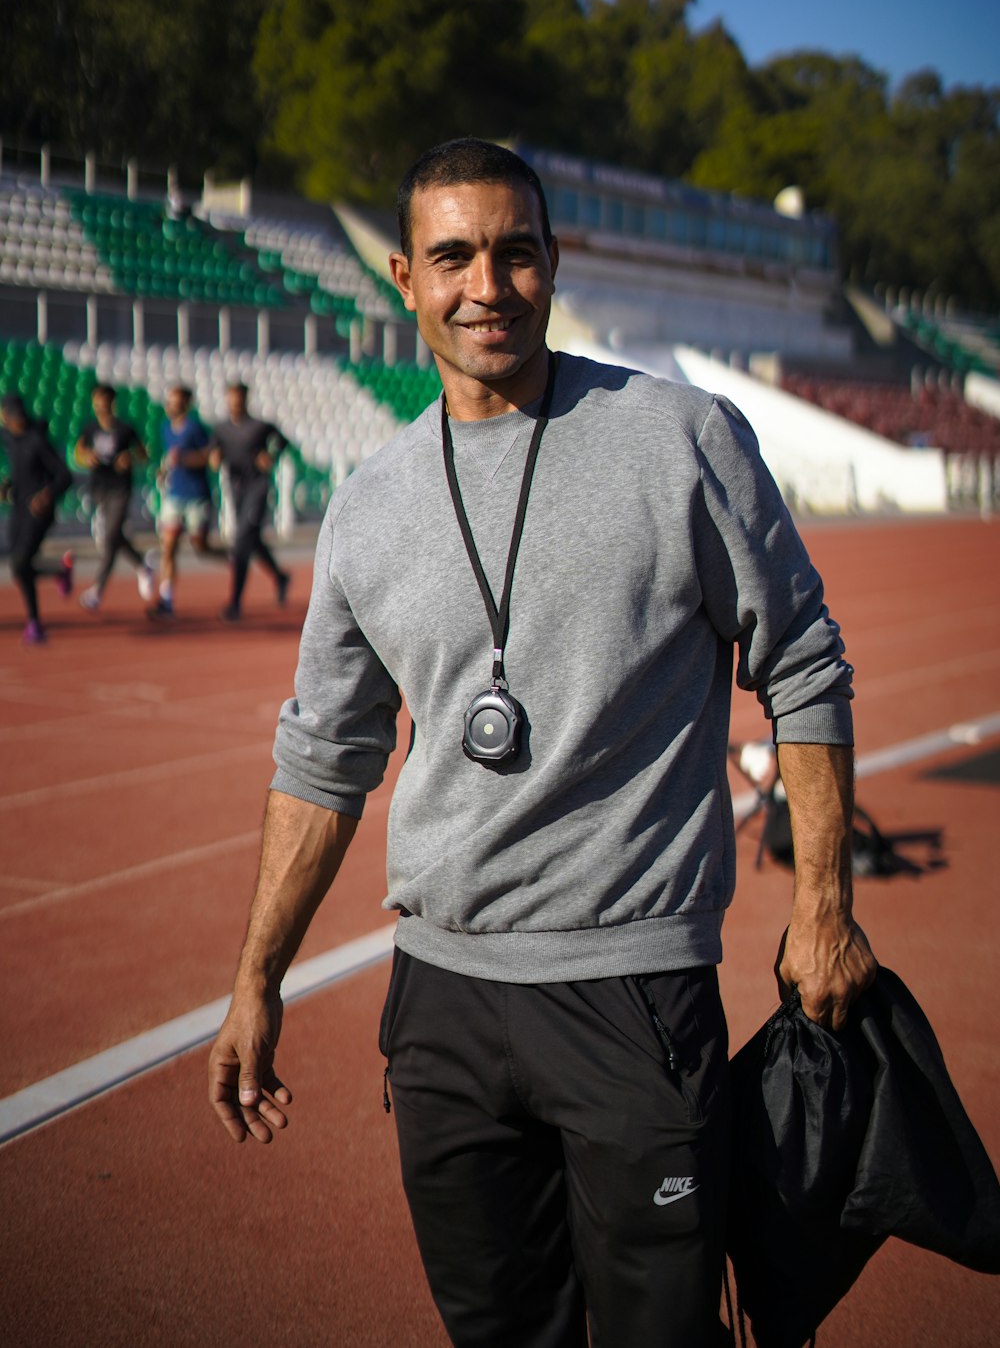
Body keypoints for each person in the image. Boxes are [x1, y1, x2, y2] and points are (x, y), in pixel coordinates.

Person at [209, 139, 877, 1347]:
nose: (488, 285)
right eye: (455, 257)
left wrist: (821, 902)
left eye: (517, 252)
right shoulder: (369, 502)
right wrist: (257, 978)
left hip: (631, 993)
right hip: (443, 1003)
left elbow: (804, 662)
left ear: (554, 264)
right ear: (405, 278)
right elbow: (324, 756)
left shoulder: (680, 438)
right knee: (498, 1333)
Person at [209, 382, 291, 621]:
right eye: (231, 398)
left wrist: (271, 456)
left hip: (258, 487)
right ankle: (280, 576)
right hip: (236, 489)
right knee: (252, 540)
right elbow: (214, 451)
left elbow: (282, 442)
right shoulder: (221, 429)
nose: (235, 403)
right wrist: (214, 457)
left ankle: (234, 602)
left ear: (245, 399)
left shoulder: (259, 427)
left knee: (242, 540)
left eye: (239, 398)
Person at [74, 383, 156, 611]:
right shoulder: (89, 428)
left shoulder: (125, 429)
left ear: (112, 402)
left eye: (105, 401)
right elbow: (78, 452)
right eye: (97, 402)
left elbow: (143, 454)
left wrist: (129, 457)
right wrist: (86, 456)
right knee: (113, 536)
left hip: (121, 488)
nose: (101, 406)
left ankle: (97, 591)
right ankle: (142, 565)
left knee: (110, 537)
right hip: (100, 486)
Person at [0, 392, 74, 643]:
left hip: (39, 512)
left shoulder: (37, 441)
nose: (16, 421)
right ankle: (36, 621)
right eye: (11, 417)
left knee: (21, 563)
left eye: (19, 416)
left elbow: (65, 476)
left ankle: (35, 621)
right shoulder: (9, 438)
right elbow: (19, 470)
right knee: (18, 568)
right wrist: (7, 484)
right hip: (18, 509)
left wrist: (47, 495)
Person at [148, 384, 220, 619]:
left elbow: (207, 458)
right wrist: (163, 470)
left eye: (176, 403)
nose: (171, 407)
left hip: (196, 495)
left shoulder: (196, 428)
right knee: (168, 545)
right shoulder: (165, 428)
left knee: (199, 546)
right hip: (174, 494)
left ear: (186, 405)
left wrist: (186, 459)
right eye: (170, 402)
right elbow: (169, 457)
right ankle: (166, 598)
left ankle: (230, 557)